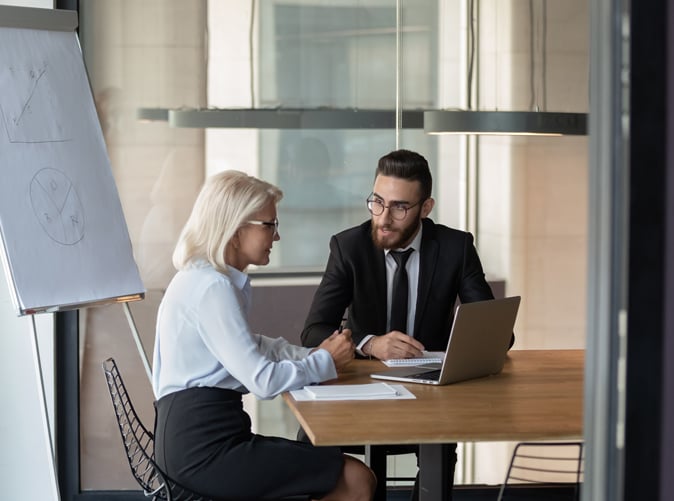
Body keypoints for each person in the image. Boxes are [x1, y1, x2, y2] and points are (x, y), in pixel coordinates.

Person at [151, 170, 377, 501]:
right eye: (269, 225)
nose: (277, 236)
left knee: (342, 474)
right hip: (204, 451)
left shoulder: (206, 278)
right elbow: (262, 381)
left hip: (193, 440)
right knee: (356, 479)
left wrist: (314, 356)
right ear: (235, 228)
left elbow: (251, 346)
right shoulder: (212, 287)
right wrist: (324, 362)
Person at [300, 149, 511, 500]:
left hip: (429, 395)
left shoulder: (456, 247)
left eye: (399, 207)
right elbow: (314, 330)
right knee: (310, 441)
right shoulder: (348, 246)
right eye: (377, 202)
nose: (383, 218)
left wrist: (455, 351)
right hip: (359, 392)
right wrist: (369, 344)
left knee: (441, 449)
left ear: (426, 208)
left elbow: (494, 330)